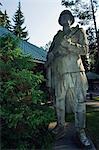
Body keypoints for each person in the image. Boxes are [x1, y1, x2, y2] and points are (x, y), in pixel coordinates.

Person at [45, 10, 91, 147]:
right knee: (59, 102)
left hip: (76, 71)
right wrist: (51, 55)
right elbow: (50, 53)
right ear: (59, 20)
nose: (65, 18)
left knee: (80, 102)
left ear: (71, 19)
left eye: (67, 16)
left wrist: (69, 46)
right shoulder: (57, 36)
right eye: (62, 16)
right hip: (60, 73)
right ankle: (60, 126)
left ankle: (80, 131)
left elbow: (85, 50)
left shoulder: (79, 32)